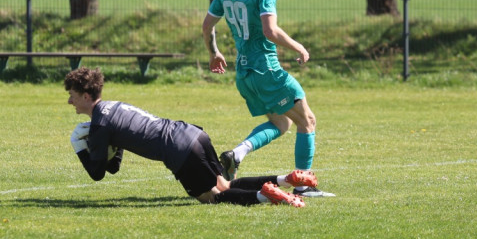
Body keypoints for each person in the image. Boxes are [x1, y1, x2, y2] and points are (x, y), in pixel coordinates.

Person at [64, 66, 319, 207]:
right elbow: (115, 164)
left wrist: (79, 147)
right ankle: (287, 179)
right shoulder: (113, 106)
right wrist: (108, 145)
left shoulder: (99, 124)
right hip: (193, 133)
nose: (69, 101)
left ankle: (267, 196)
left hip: (178, 151)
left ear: (86, 97)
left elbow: (99, 173)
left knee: (212, 197)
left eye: (72, 96)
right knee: (225, 184)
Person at [201, 0, 329, 198]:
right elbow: (270, 31)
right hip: (267, 69)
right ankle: (303, 185)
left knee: (282, 124)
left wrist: (214, 52)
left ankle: (237, 153)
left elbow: (207, 25)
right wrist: (299, 46)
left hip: (244, 73)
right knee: (308, 121)